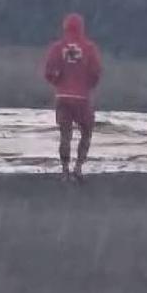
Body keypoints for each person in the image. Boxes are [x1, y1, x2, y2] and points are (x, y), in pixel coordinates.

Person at [43, 13, 102, 182]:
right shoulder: (89, 48)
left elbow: (48, 72)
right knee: (86, 132)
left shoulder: (57, 47)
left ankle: (64, 170)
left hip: (62, 96)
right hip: (82, 98)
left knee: (65, 135)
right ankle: (78, 167)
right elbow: (96, 72)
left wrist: (57, 82)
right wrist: (88, 86)